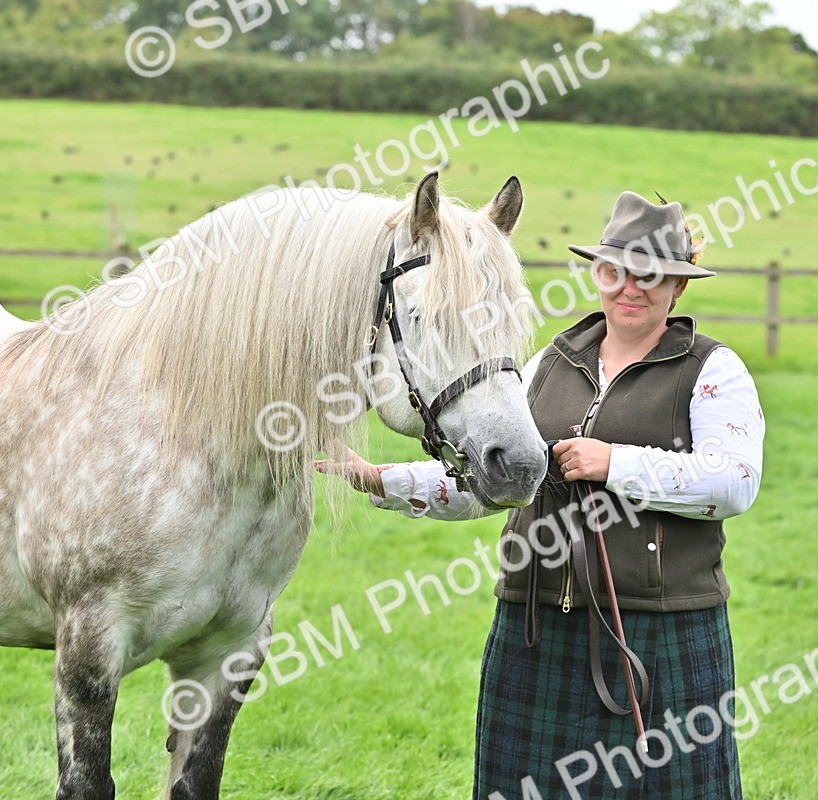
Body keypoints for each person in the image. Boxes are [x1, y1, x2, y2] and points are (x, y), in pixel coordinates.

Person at [317, 191, 765, 799]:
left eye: (651, 276)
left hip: (661, 634)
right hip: (535, 630)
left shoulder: (711, 370)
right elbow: (498, 482)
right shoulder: (547, 366)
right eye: (616, 272)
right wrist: (383, 479)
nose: (630, 288)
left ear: (678, 287)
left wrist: (615, 464)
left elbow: (734, 481)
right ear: (598, 274)